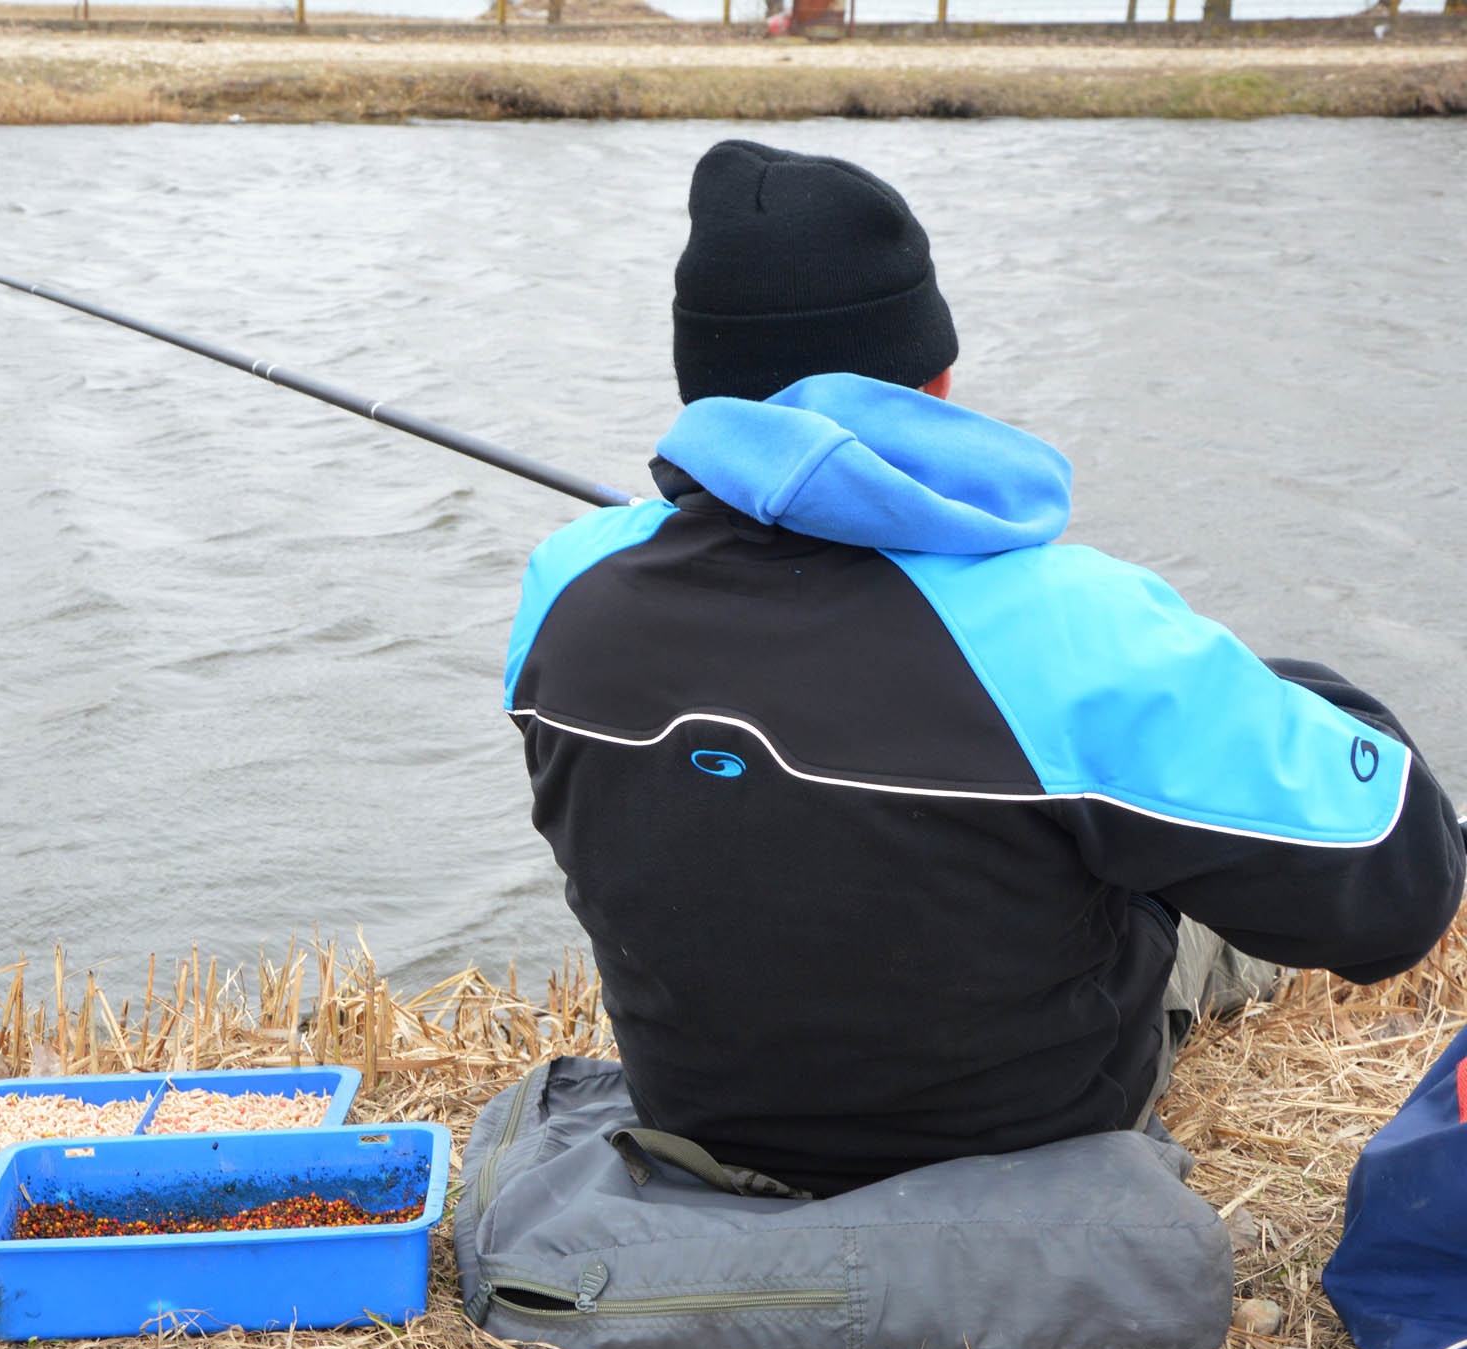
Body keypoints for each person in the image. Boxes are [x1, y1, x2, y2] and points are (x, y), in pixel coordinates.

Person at [503, 139, 1466, 1200]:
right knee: (1165, 826)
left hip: (700, 1114)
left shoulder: (567, 581)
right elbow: (1398, 895)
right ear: (938, 383)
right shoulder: (1076, 623)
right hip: (1025, 1132)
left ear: (702, 385)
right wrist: (1303, 692)